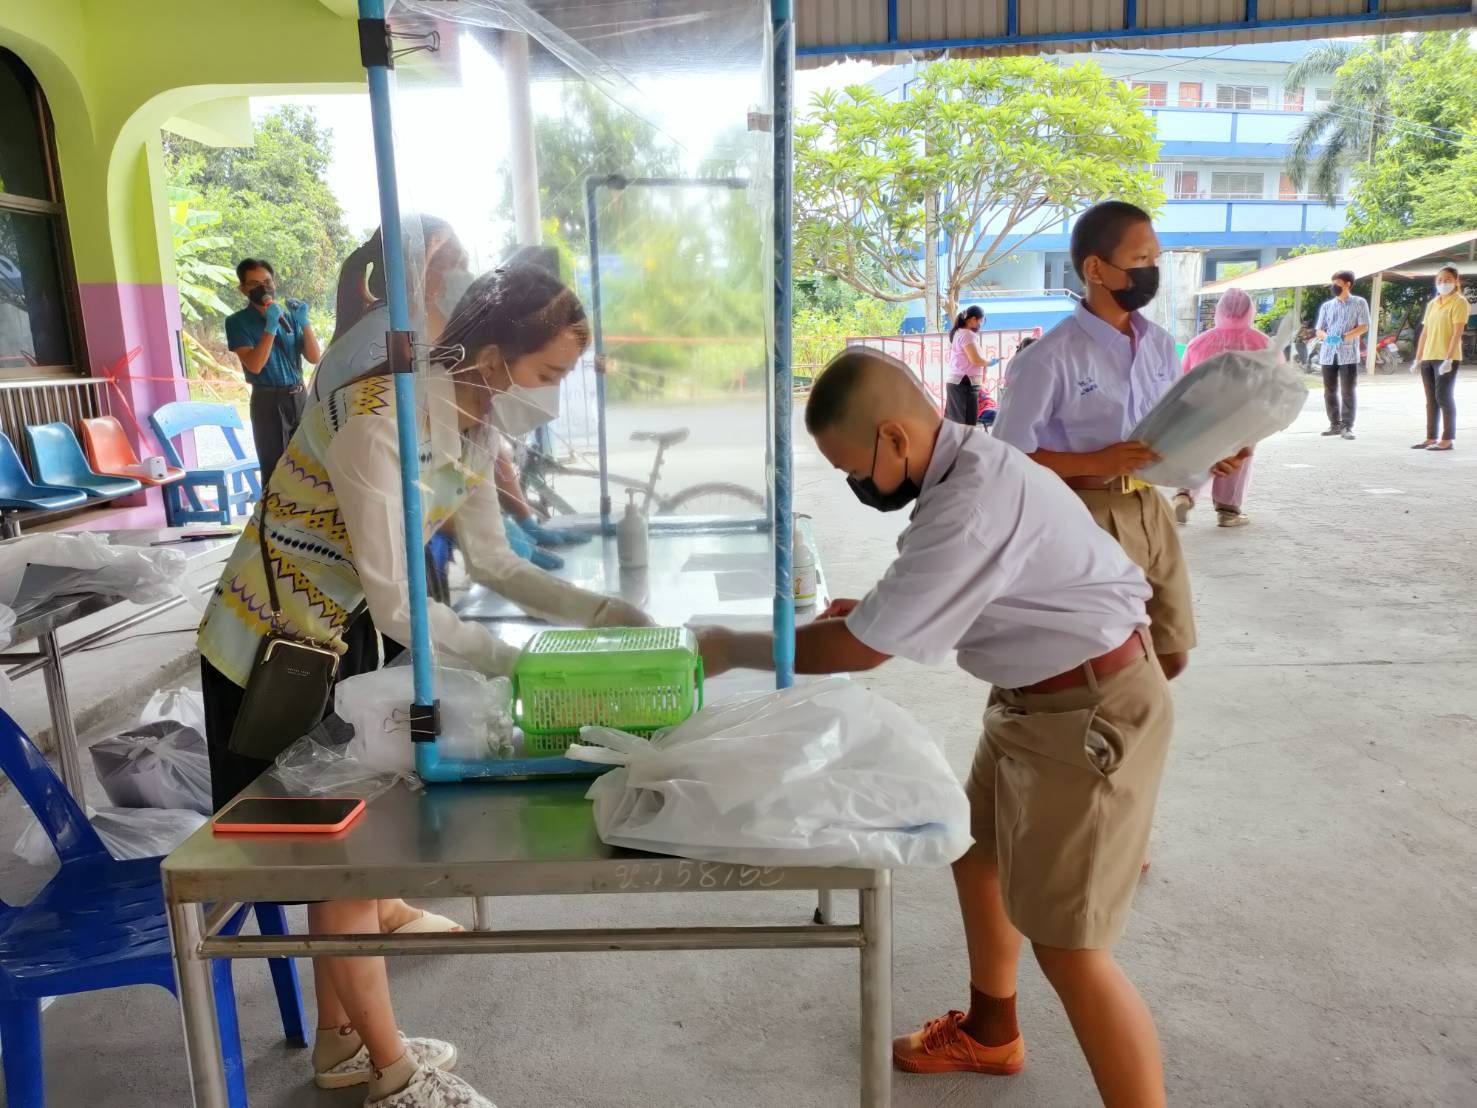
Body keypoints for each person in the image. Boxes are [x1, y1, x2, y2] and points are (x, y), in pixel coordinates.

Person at [197, 262, 649, 1108]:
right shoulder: (378, 422)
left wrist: (601, 612)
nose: (555, 396)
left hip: (347, 644)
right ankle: (394, 1072)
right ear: (492, 357)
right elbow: (401, 600)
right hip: (273, 654)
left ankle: (341, 1044)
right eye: (550, 373)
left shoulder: (472, 427)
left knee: (352, 849)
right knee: (342, 861)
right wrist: (518, 663)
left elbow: (494, 562)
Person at [695, 349, 1173, 1107]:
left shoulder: (970, 499)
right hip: (1033, 699)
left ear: (893, 436)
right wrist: (878, 610)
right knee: (976, 853)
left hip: (1089, 713)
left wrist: (731, 647)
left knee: (1070, 947)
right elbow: (957, 587)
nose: (857, 486)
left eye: (855, 469)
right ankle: (991, 1032)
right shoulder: (963, 468)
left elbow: (864, 650)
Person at [993, 200, 1247, 682]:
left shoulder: (1158, 344)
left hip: (1151, 507)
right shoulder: (1048, 359)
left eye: (1155, 259)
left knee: (1171, 652)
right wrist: (1099, 461)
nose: (1152, 271)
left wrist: (1213, 453)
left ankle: (1129, 718)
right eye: (1140, 259)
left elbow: (1173, 429)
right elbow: (1005, 458)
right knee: (1103, 661)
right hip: (1086, 513)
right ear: (1095, 269)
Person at [313, 218, 469, 404]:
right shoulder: (388, 339)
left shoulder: (388, 325)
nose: (464, 277)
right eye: (454, 264)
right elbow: (399, 411)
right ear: (418, 268)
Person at [1170, 288, 1269, 528]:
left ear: (1218, 311)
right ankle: (1228, 511)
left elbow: (1182, 380)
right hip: (1244, 414)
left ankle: (1184, 495)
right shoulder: (1262, 342)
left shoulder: (1198, 343)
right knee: (1236, 459)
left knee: (1198, 453)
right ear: (1251, 311)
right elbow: (1276, 380)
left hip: (1202, 411)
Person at [226, 259, 323, 483]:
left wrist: (304, 323)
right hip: (268, 401)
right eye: (254, 284)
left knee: (309, 463)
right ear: (243, 289)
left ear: (274, 283)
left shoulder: (288, 317)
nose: (263, 288)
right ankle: (273, 507)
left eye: (267, 281)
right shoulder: (237, 322)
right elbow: (255, 365)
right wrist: (270, 327)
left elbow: (314, 357)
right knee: (276, 470)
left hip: (299, 396)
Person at [1410, 264, 1469, 452]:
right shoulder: (1432, 304)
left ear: (1456, 281)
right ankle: (1430, 437)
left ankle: (1447, 439)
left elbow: (1457, 333)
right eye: (1440, 280)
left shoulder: (1459, 302)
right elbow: (1425, 333)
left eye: (1448, 279)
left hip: (1446, 358)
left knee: (1443, 397)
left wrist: (1448, 359)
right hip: (1428, 356)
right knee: (1431, 399)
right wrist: (1418, 358)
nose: (1443, 283)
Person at [1314, 269, 1371, 440]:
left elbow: (1364, 326)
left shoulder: (1359, 302)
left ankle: (1347, 426)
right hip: (1328, 354)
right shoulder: (1327, 306)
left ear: (1348, 284)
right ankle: (1334, 424)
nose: (1334, 287)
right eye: (1333, 284)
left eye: (1337, 283)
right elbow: (1319, 330)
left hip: (1348, 354)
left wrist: (1343, 337)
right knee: (1329, 390)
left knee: (1348, 391)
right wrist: (1327, 338)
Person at [945, 305, 989, 425]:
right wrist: (989, 362)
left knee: (957, 425)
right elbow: (975, 360)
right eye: (980, 321)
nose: (980, 324)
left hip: (957, 383)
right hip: (964, 384)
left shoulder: (959, 332)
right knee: (966, 426)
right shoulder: (967, 335)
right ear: (973, 319)